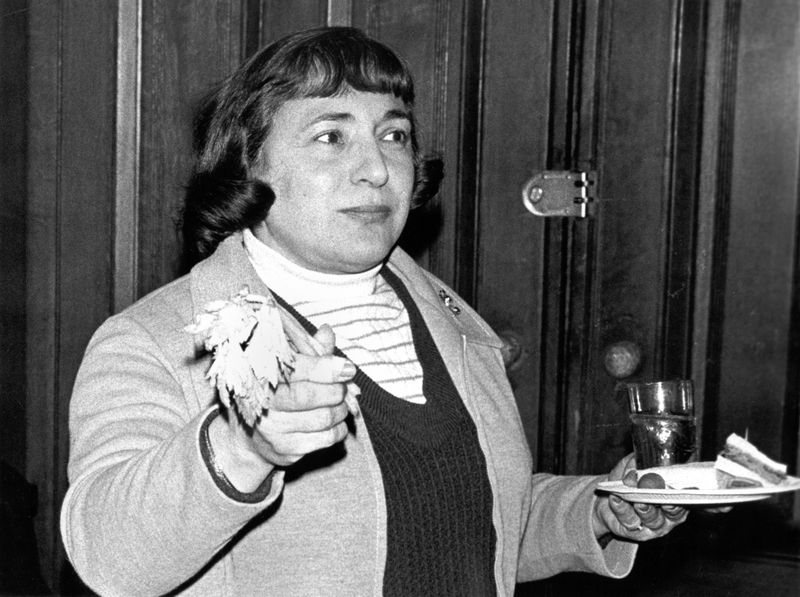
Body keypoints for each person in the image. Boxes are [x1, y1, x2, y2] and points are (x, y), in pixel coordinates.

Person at [60, 26, 688, 596]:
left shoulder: (456, 325)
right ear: (249, 163)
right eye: (331, 137)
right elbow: (110, 557)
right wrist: (242, 446)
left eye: (394, 135)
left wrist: (601, 510)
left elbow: (478, 524)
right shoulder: (154, 342)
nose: (376, 168)